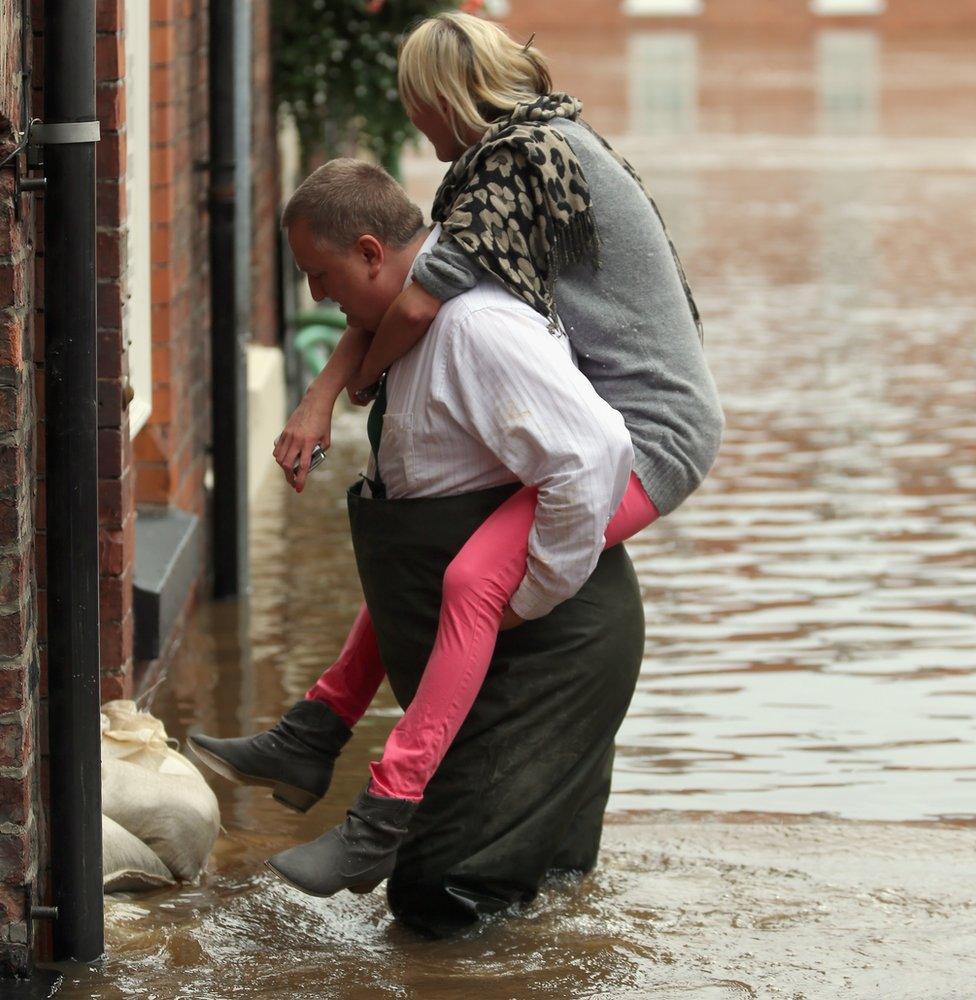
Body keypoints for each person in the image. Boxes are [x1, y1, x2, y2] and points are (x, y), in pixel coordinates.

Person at [192, 159, 648, 934]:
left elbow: (595, 452)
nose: (314, 296)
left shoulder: (475, 328)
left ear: (372, 252)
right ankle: (314, 741)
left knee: (440, 898)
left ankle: (381, 826)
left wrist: (528, 590)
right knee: (537, 896)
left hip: (548, 654)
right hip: (506, 650)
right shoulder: (409, 317)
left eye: (321, 274)